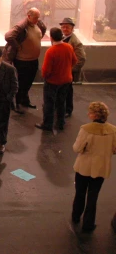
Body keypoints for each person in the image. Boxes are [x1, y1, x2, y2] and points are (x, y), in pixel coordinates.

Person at [72, 101, 116, 232]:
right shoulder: (113, 130)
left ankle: (75, 216)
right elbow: (114, 149)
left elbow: (77, 148)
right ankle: (88, 224)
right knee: (93, 195)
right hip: (101, 168)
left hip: (84, 167)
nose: (88, 114)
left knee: (80, 192)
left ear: (94, 115)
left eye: (90, 112)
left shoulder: (85, 129)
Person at [5, 7, 47, 113]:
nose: (37, 19)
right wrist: (18, 46)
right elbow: (9, 36)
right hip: (22, 61)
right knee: (21, 83)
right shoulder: (21, 26)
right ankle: (17, 103)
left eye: (38, 17)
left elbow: (40, 33)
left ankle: (24, 100)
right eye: (35, 17)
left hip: (33, 59)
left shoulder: (37, 24)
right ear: (29, 16)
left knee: (28, 82)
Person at [35, 27, 78, 132]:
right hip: (66, 80)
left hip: (53, 81)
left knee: (49, 103)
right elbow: (75, 61)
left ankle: (47, 124)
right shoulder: (68, 47)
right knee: (61, 102)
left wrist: (45, 76)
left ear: (51, 37)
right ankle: (61, 123)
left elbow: (46, 70)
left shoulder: (51, 51)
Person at [60, 17, 86, 118]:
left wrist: (69, 70)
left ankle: (68, 110)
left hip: (68, 72)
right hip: (62, 71)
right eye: (63, 27)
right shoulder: (63, 38)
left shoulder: (75, 42)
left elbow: (81, 59)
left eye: (67, 27)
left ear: (72, 28)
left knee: (68, 91)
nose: (65, 29)